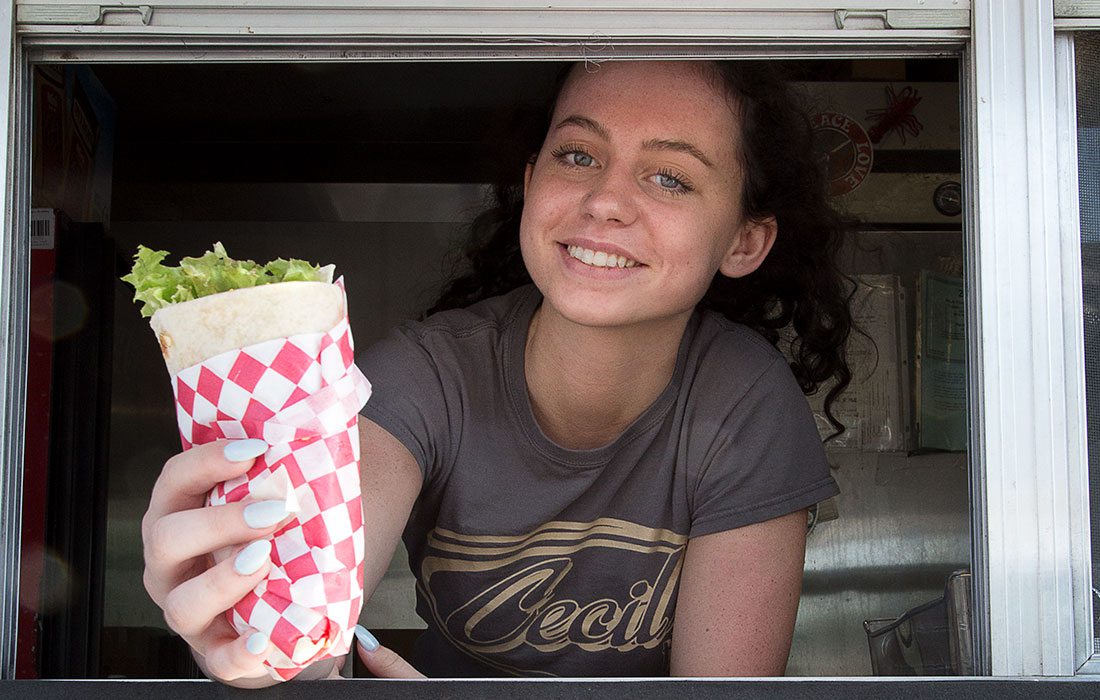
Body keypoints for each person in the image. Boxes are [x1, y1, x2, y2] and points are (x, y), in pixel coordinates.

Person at [140, 59, 852, 686]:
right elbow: (309, 620)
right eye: (577, 156)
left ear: (744, 239)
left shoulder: (746, 403)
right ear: (531, 181)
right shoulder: (425, 377)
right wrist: (258, 644)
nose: (605, 200)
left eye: (670, 177)